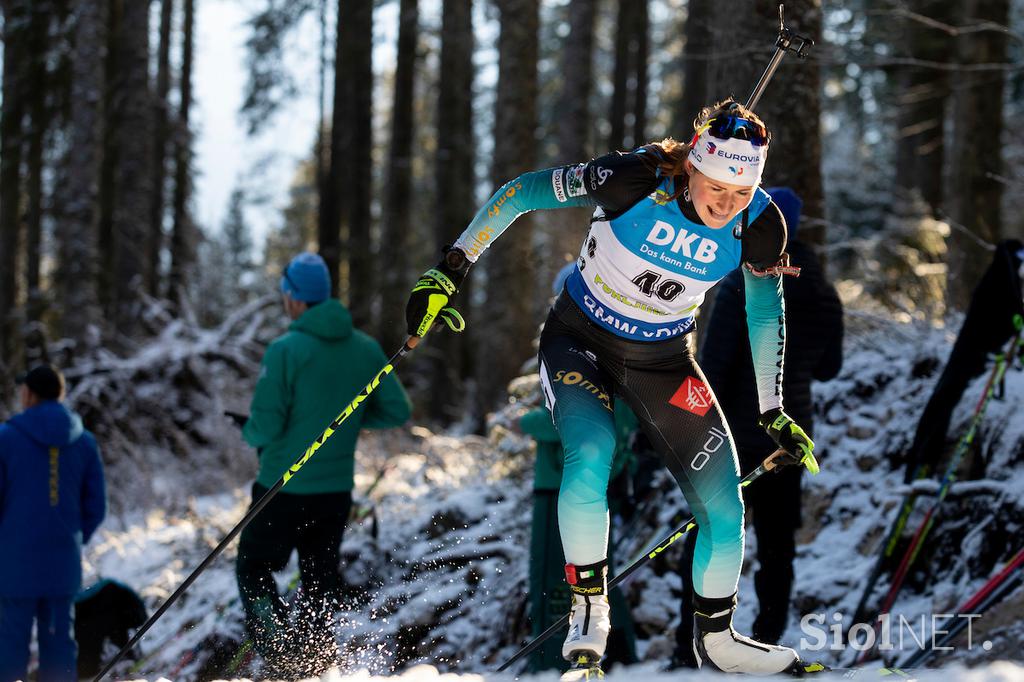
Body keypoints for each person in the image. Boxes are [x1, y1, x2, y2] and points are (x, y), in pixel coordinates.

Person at [405, 98, 821, 676]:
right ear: (692, 168)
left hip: (665, 362)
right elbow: (524, 191)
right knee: (591, 455)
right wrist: (450, 268)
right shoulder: (632, 178)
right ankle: (588, 608)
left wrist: (772, 408)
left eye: (740, 193)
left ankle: (717, 638)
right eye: (715, 188)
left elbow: (763, 310)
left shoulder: (761, 223)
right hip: (581, 341)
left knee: (726, 507)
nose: (726, 206)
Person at [671, 187, 844, 666]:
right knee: (777, 545)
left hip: (730, 435)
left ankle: (691, 650)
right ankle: (767, 640)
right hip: (790, 436)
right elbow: (831, 367)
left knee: (709, 534)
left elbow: (712, 365)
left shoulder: (741, 283)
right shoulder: (825, 293)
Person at [237, 252, 412, 676]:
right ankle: (315, 661)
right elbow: (396, 410)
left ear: (294, 298)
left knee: (253, 566)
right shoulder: (366, 349)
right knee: (319, 578)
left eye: (285, 292)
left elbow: (265, 426)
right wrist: (346, 420)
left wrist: (248, 432)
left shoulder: (285, 350)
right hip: (334, 492)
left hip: (282, 487)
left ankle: (279, 653)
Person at [0, 364, 107, 682]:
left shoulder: (6, 438)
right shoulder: (84, 441)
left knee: (9, 644)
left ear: (29, 395)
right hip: (63, 562)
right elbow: (96, 506)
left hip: (14, 562)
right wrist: (71, 538)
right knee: (59, 644)